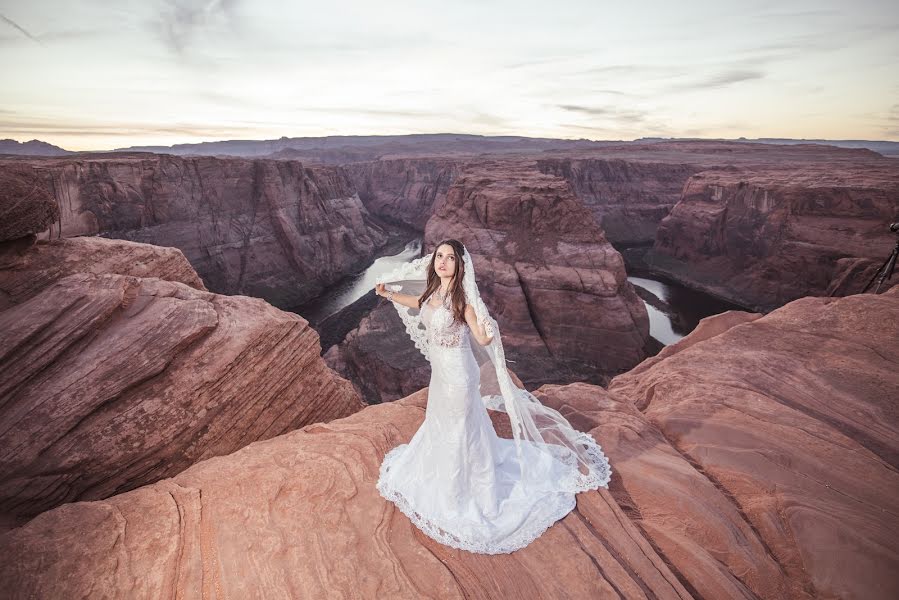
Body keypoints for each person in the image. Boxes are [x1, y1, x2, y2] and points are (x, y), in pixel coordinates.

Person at [373, 239, 612, 554]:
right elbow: (417, 302)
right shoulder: (432, 292)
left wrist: (488, 331)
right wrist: (388, 293)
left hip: (459, 375)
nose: (442, 262)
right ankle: (451, 468)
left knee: (459, 428)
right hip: (441, 375)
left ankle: (458, 492)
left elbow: (481, 335)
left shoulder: (462, 302)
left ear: (460, 267)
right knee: (444, 421)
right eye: (439, 256)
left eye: (450, 258)